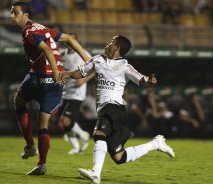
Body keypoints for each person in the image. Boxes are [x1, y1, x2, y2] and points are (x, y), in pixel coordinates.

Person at [60, 35, 175, 184]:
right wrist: (67, 74)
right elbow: (80, 73)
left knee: (99, 132)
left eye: (111, 42)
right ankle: (156, 144)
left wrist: (151, 81)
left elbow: (142, 80)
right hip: (104, 109)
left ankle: (95, 172)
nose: (107, 43)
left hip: (115, 107)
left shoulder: (125, 66)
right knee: (119, 157)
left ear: (117, 48)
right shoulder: (97, 60)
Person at [10, 0, 90, 176]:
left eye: (15, 13)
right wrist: (88, 60)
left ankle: (30, 146)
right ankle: (42, 164)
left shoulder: (28, 31)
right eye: (11, 12)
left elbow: (45, 49)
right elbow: (69, 38)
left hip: (40, 78)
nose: (11, 16)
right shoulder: (41, 27)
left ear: (26, 15)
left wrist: (53, 70)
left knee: (19, 102)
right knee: (43, 124)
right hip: (55, 83)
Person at [54, 33, 94, 155]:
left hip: (77, 93)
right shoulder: (62, 55)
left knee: (66, 119)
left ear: (76, 42)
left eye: (72, 40)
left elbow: (95, 69)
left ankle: (83, 134)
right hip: (65, 91)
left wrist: (84, 80)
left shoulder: (83, 53)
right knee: (58, 120)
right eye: (68, 40)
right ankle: (76, 147)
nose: (69, 42)